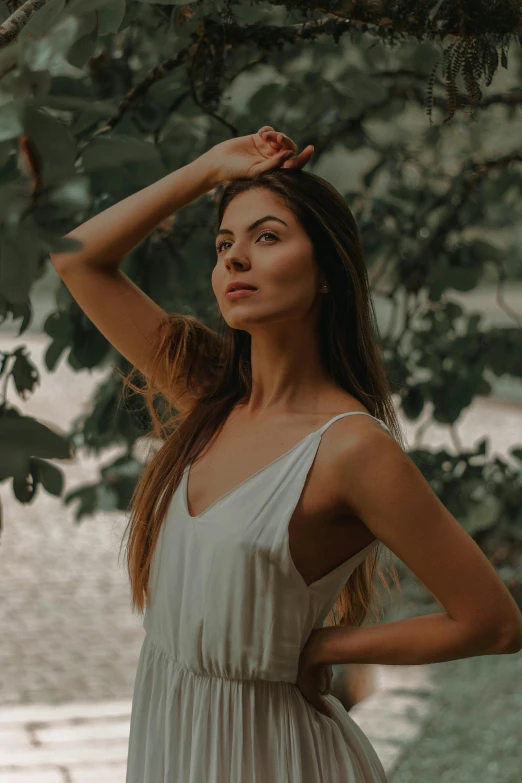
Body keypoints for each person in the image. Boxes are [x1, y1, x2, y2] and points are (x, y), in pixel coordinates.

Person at [50, 126, 522, 782]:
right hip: (172, 740)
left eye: (266, 237)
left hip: (274, 756)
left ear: (326, 272)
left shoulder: (351, 447)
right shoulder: (208, 396)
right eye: (224, 244)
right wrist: (210, 168)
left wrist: (331, 644)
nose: (235, 259)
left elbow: (493, 621)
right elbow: (77, 258)